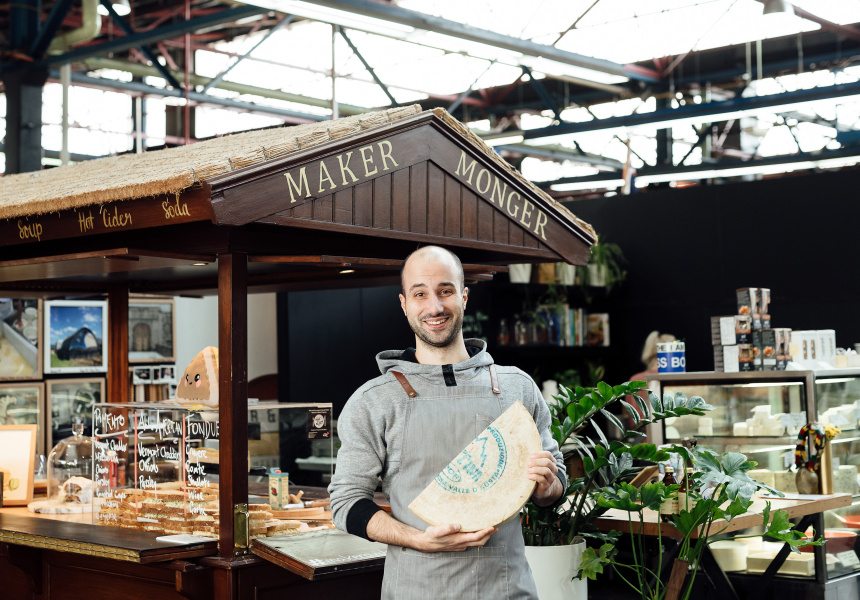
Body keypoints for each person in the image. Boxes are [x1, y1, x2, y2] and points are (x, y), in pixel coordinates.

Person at [329, 245, 566, 599]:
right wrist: (419, 540)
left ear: (464, 297)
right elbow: (346, 502)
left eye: (445, 291)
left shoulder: (517, 385)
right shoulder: (374, 400)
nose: (435, 307)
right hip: (417, 587)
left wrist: (548, 487)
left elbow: (555, 483)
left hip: (506, 589)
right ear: (404, 303)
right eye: (420, 294)